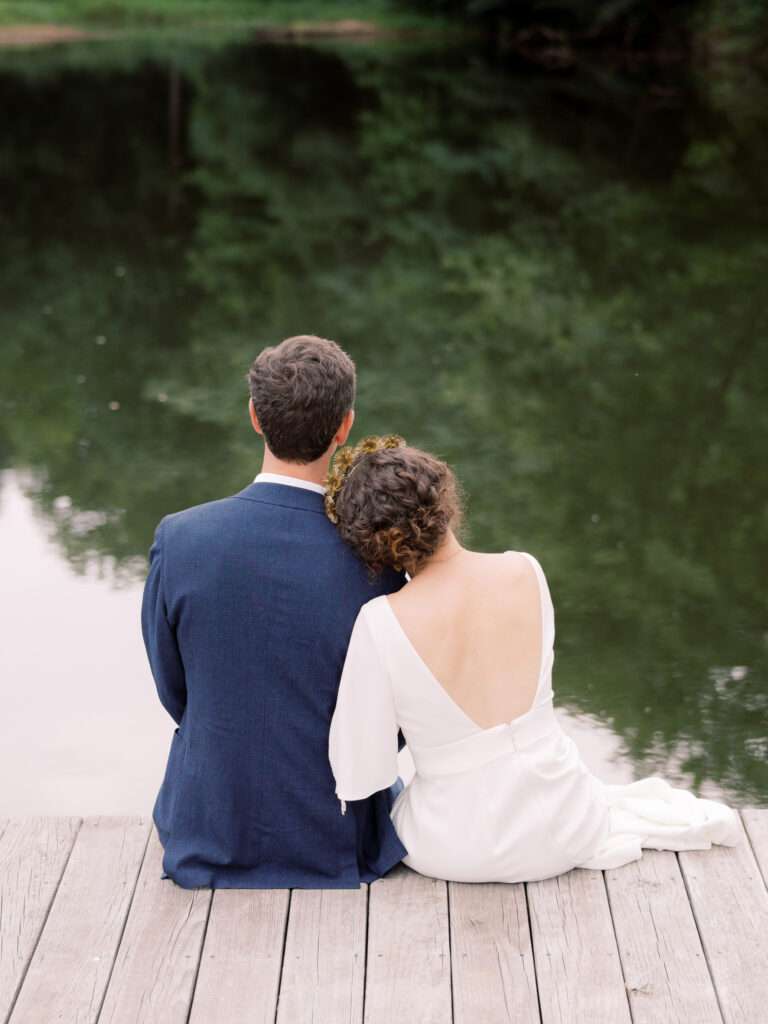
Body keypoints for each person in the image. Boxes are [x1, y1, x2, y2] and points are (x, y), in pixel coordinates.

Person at [326, 436, 740, 883]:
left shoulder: (381, 620)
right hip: (566, 822)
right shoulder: (526, 570)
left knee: (407, 806)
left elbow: (361, 772)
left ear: (375, 546)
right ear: (445, 500)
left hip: (457, 846)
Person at [141, 336, 406, 889]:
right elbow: (393, 717)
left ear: (255, 417)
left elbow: (176, 691)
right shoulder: (375, 557)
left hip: (209, 829)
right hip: (337, 837)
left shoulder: (182, 538)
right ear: (345, 426)